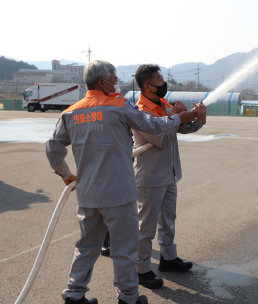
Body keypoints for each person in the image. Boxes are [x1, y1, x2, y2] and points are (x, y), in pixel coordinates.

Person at [45, 60, 197, 304]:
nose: (116, 83)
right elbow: (153, 125)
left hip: (88, 194)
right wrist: (179, 118)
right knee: (124, 248)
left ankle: (74, 294)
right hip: (119, 193)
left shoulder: (71, 112)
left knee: (86, 246)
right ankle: (128, 297)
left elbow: (53, 150)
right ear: (102, 81)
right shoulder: (119, 105)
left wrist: (67, 175)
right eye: (114, 79)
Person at [133, 64, 207, 289]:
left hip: (169, 173)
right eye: (159, 78)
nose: (163, 81)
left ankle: (168, 258)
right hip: (150, 177)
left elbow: (182, 129)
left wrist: (197, 119)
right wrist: (177, 117)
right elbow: (162, 140)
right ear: (147, 85)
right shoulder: (141, 112)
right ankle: (141, 269)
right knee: (146, 226)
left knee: (168, 220)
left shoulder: (164, 104)